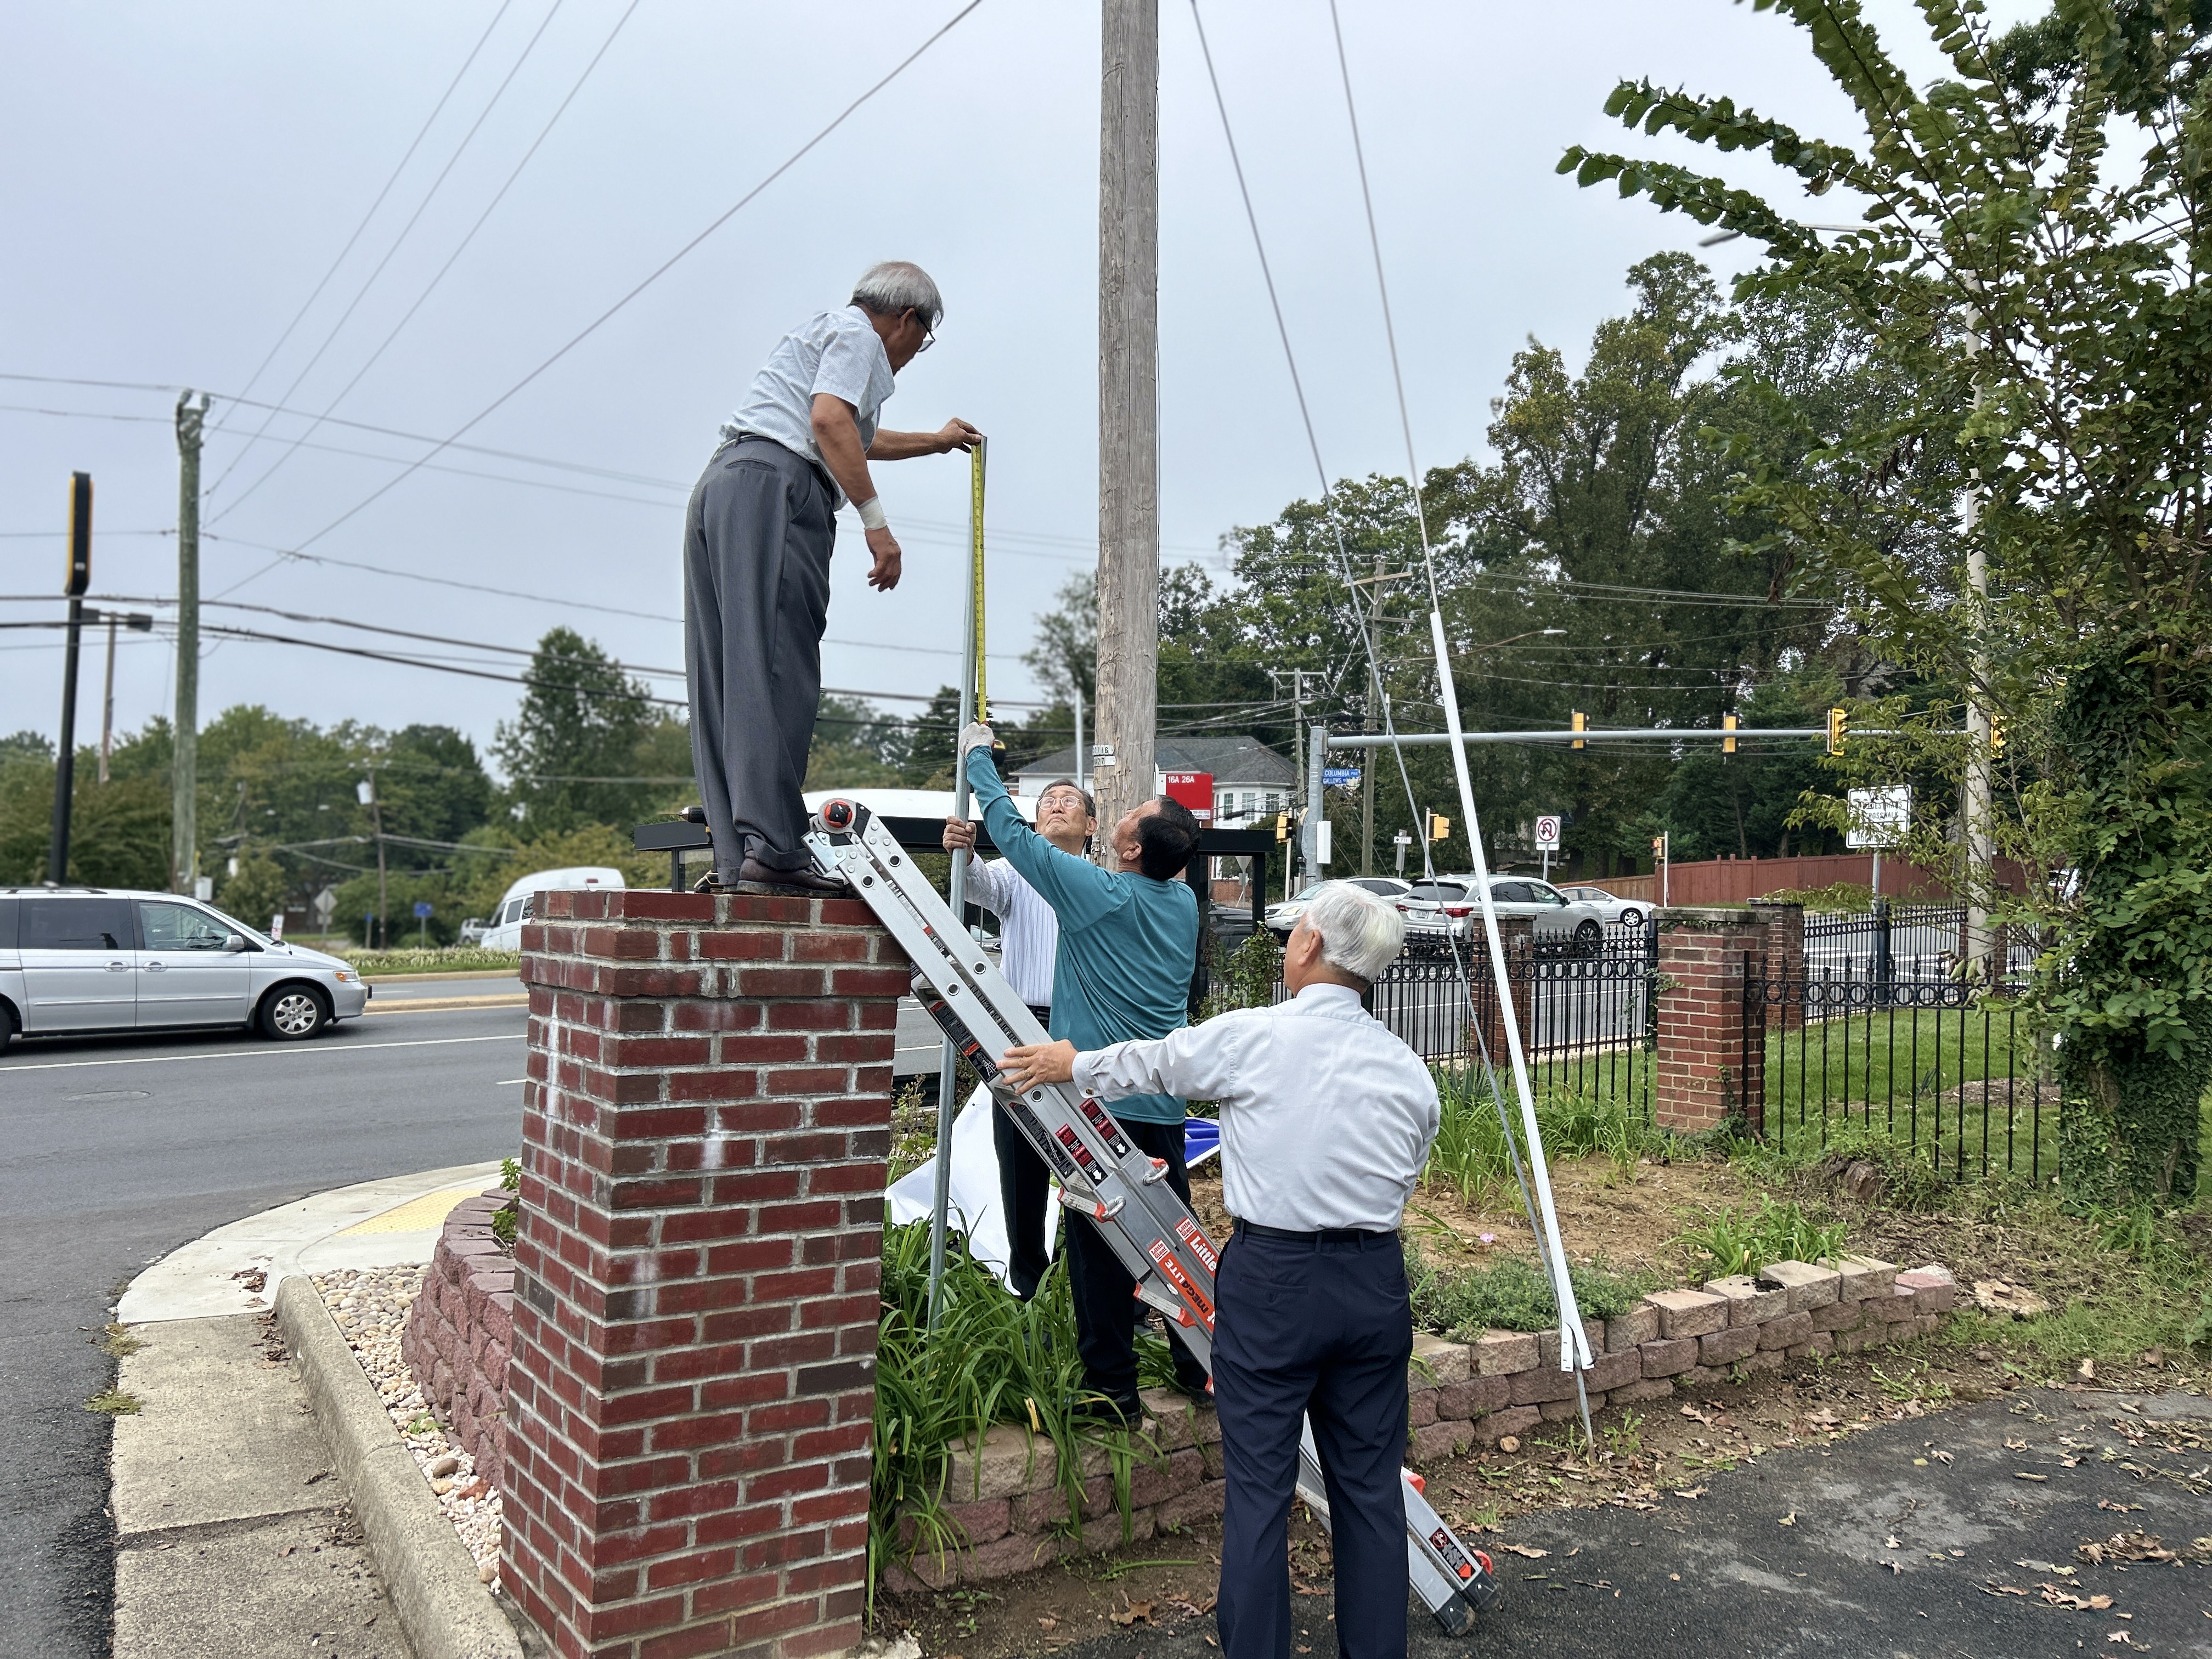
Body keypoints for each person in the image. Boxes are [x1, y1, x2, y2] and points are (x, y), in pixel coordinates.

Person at [999, 883, 1435, 1659]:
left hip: (1275, 1279)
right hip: (1374, 1280)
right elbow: (1406, 1173)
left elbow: (1160, 1062)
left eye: (1293, 934)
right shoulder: (1409, 1070)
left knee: (1261, 1492)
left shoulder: (1256, 1037)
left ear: (1310, 945)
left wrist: (1073, 1062)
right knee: (1371, 1494)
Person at [686, 261, 981, 893]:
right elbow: (828, 422)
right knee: (778, 668)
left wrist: (933, 441)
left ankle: (739, 858)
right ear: (907, 319)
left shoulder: (821, 332)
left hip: (724, 485)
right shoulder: (860, 338)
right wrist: (877, 525)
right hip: (777, 490)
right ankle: (776, 851)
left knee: (727, 673)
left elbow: (851, 434)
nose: (913, 355)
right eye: (922, 340)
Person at [957, 722, 1210, 1419]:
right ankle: (1199, 1367)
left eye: (1129, 816)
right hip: (1160, 1097)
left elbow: (1012, 833)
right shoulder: (1182, 903)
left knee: (1100, 1249)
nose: (1120, 814)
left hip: (1104, 1104)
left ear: (1130, 849)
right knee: (1173, 1238)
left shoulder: (1101, 895)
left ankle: (1111, 1392)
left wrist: (979, 758)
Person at [941, 777, 1099, 1300]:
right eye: (1047, 801)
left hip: (1082, 1031)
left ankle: (1092, 1282)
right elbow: (981, 886)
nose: (1056, 806)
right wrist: (964, 853)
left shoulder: (1104, 882)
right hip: (1019, 1024)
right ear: (1033, 822)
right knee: (1021, 1158)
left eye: (1069, 801)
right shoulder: (1015, 871)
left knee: (1089, 1157)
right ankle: (1031, 1287)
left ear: (1091, 825)